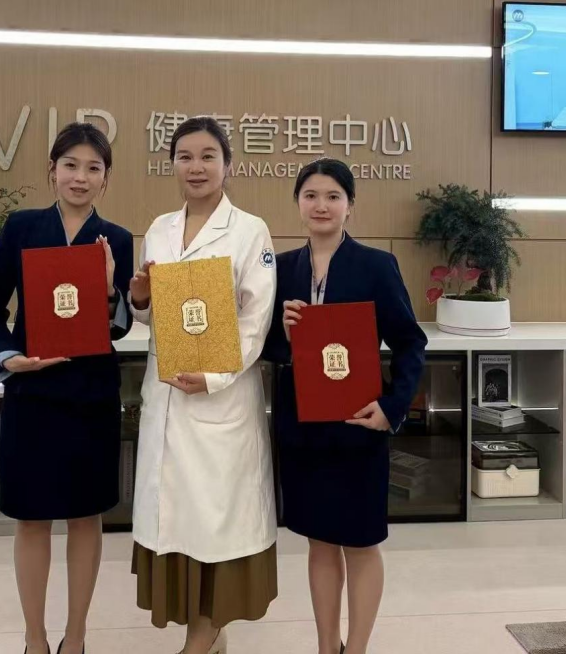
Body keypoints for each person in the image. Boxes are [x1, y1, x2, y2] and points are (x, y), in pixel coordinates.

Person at [0, 122, 134, 654]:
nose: (80, 177)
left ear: (106, 178)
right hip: (33, 394)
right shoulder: (22, 228)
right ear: (52, 171)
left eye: (93, 168)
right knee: (32, 518)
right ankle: (35, 638)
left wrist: (109, 288)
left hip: (90, 395)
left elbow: (117, 328)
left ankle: (77, 637)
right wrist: (8, 356)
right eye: (71, 166)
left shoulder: (116, 240)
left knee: (86, 516)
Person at [263, 158, 427, 654]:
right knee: (318, 541)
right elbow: (266, 348)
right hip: (303, 432)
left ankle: (355, 648)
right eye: (311, 195)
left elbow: (410, 342)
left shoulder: (376, 265)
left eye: (333, 196)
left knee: (360, 542)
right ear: (297, 203)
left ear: (350, 205)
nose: (321, 205)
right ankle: (325, 646)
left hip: (358, 426)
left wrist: (392, 407)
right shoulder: (281, 268)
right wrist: (283, 331)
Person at [128, 116, 278, 654]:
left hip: (221, 400)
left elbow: (256, 320)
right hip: (168, 393)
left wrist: (215, 376)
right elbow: (153, 316)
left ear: (228, 165)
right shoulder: (159, 229)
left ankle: (207, 629)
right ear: (172, 165)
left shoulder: (250, 231)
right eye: (185, 156)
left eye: (208, 156)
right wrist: (141, 297)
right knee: (177, 519)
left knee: (216, 521)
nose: (196, 167)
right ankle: (202, 628)